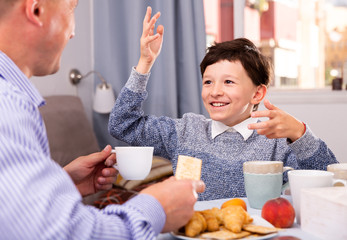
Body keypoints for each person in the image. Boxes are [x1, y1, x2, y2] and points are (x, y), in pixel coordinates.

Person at [0, 1, 205, 239]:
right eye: (72, 8)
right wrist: (156, 207)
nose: (74, 32)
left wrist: (61, 182)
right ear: (36, 10)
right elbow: (65, 234)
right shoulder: (7, 106)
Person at [108, 11, 339, 201]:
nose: (215, 91)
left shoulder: (276, 142)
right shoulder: (185, 131)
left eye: (228, 82)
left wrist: (300, 133)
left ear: (257, 93)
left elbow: (330, 183)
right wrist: (144, 64)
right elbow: (123, 125)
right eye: (208, 82)